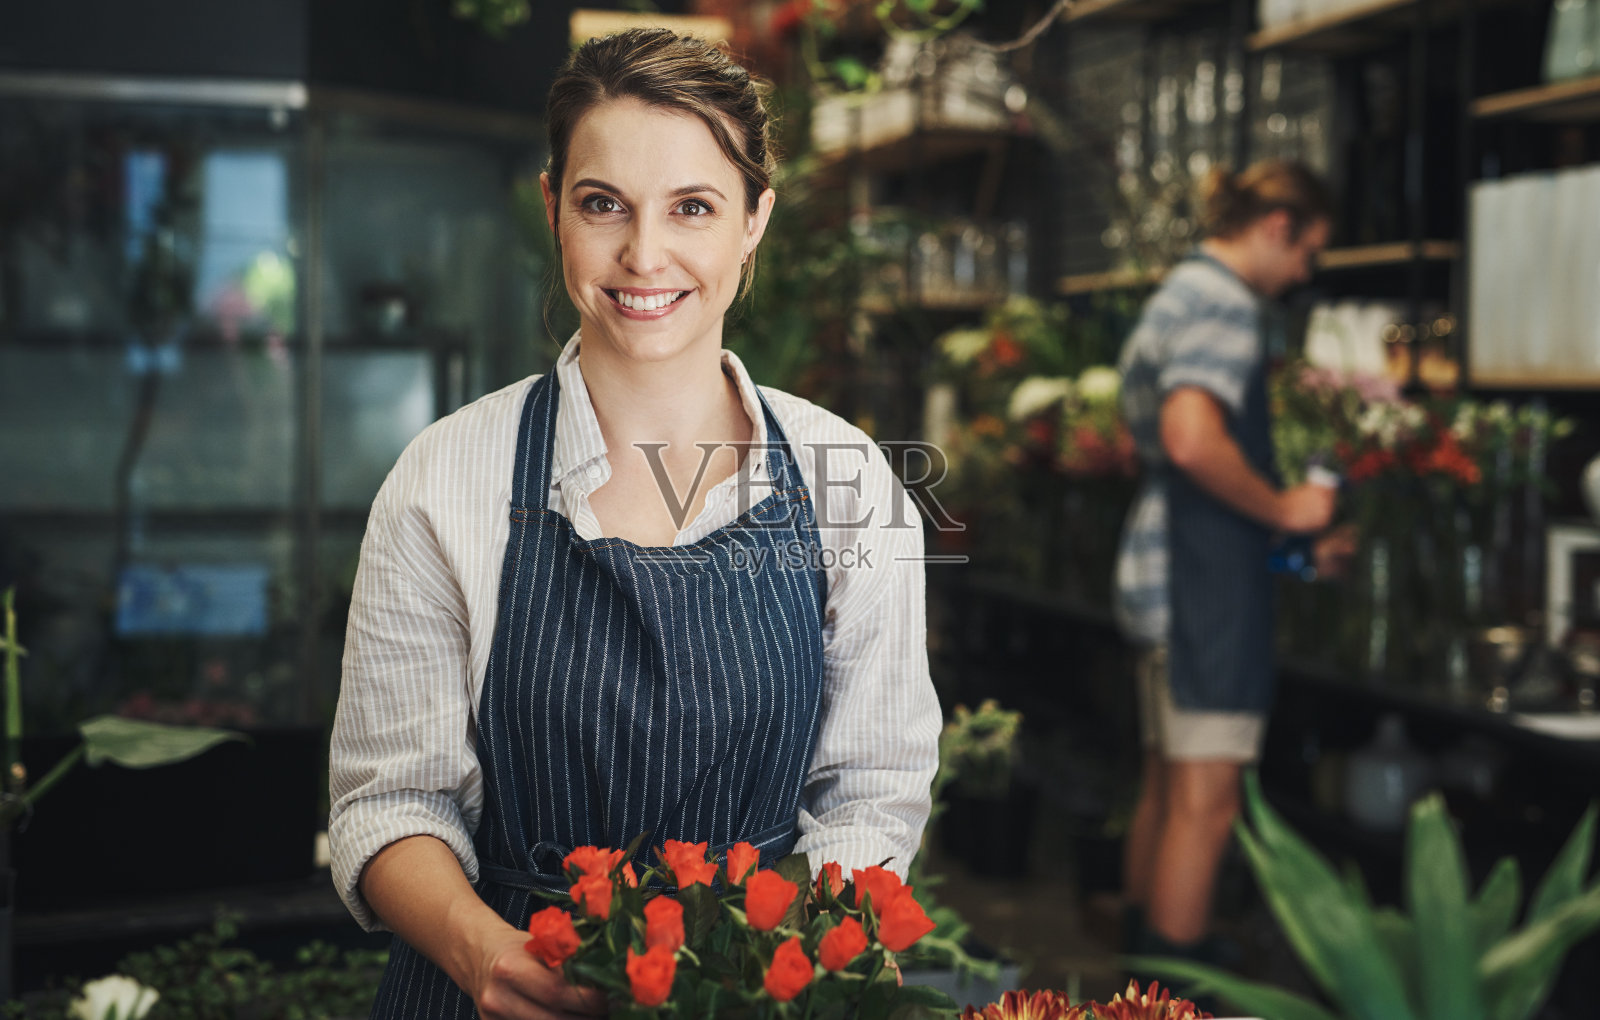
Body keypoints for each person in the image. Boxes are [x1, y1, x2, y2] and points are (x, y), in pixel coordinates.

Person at [327, 28, 941, 1020]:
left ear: (753, 222)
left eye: (693, 207)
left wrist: (769, 972)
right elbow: (389, 802)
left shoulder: (847, 480)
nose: (643, 254)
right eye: (602, 203)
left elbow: (870, 790)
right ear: (552, 209)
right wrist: (485, 952)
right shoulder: (447, 476)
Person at [1113, 159, 1349, 961]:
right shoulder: (1224, 305)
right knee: (1207, 804)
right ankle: (1173, 999)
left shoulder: (1178, 292)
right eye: (1308, 254)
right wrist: (1287, 510)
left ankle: (1132, 993)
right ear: (1278, 228)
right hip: (1202, 586)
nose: (1301, 275)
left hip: (1164, 573)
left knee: (1168, 786)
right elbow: (1189, 436)